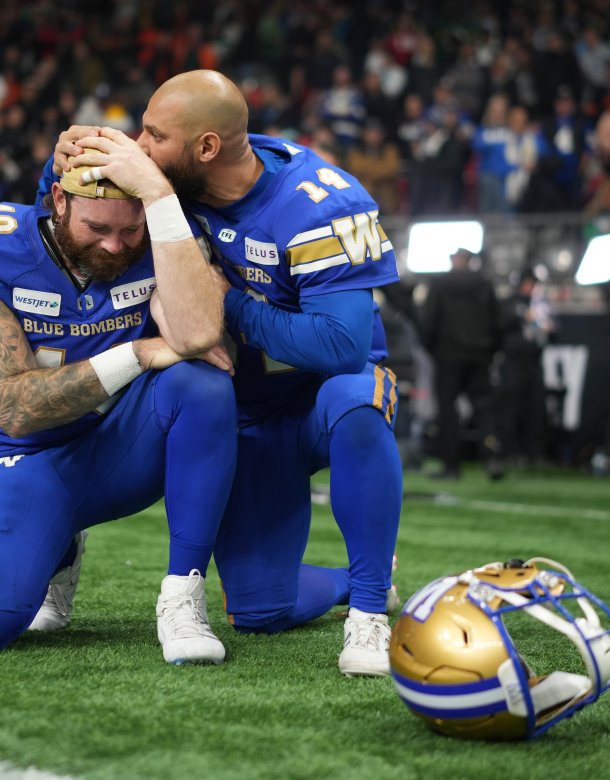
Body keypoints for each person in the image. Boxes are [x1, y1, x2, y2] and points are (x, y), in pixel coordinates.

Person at [51, 69, 403, 677]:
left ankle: (370, 616)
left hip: (317, 400)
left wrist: (226, 305)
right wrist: (60, 157)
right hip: (242, 414)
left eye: (155, 134)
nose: (139, 145)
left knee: (356, 399)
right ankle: (359, 579)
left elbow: (344, 345)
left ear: (206, 148)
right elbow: (67, 206)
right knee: (264, 609)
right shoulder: (168, 180)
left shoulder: (320, 202)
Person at [0, 129, 238, 667]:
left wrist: (160, 205)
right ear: (58, 201)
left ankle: (182, 594)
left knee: (201, 382)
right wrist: (140, 354)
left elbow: (197, 338)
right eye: (97, 227)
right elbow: (13, 406)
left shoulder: (165, 232)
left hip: (122, 448)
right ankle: (59, 546)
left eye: (130, 229)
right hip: (29, 455)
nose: (116, 246)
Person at [420, 248, 503, 481]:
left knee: (448, 413)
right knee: (484, 410)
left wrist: (434, 351)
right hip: (479, 356)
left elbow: (429, 321)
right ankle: (492, 457)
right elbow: (498, 321)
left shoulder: (439, 284)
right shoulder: (485, 284)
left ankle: (451, 466)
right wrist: (489, 350)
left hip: (448, 357)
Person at [498, 270, 555, 466]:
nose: (531, 287)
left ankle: (535, 453)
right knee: (512, 408)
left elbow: (554, 327)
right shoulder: (510, 302)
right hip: (513, 362)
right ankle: (510, 452)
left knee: (536, 408)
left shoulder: (541, 304)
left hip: (533, 362)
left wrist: (549, 327)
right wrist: (522, 316)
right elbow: (502, 322)